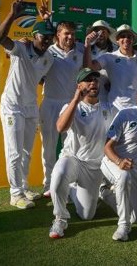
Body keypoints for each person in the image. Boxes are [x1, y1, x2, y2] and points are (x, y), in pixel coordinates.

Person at [0, 0, 55, 209]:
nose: (47, 41)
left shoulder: (49, 58)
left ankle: (23, 186)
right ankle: (15, 194)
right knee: (14, 152)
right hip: (12, 106)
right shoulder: (20, 48)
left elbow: (38, 78)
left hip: (30, 107)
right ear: (33, 35)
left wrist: (45, 20)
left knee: (26, 151)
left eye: (50, 37)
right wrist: (13, 14)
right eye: (43, 37)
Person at [48, 68, 112, 239]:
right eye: (88, 80)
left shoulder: (108, 108)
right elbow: (61, 127)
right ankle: (60, 218)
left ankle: (72, 189)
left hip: (94, 167)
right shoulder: (71, 106)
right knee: (59, 176)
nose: (93, 82)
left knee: (87, 215)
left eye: (95, 80)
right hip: (73, 159)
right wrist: (75, 100)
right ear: (79, 85)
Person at [100, 80, 137, 241]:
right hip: (112, 161)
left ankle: (105, 193)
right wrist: (119, 161)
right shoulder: (125, 114)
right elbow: (107, 147)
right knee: (123, 177)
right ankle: (123, 226)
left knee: (136, 217)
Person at [40, 20, 84, 197]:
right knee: (48, 147)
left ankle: (70, 183)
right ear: (58, 34)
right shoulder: (48, 52)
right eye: (66, 33)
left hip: (70, 105)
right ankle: (48, 184)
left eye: (72, 34)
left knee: (71, 147)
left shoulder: (79, 52)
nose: (70, 37)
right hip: (50, 102)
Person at [84, 24, 137, 114]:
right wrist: (88, 45)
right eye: (122, 36)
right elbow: (88, 69)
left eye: (129, 36)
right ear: (117, 40)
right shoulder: (109, 57)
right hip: (115, 108)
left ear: (133, 40)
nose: (126, 39)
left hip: (136, 108)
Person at [88, 20, 117, 103]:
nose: (100, 34)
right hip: (90, 94)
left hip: (110, 95)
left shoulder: (117, 50)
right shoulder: (85, 49)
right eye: (97, 31)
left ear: (108, 34)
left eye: (103, 31)